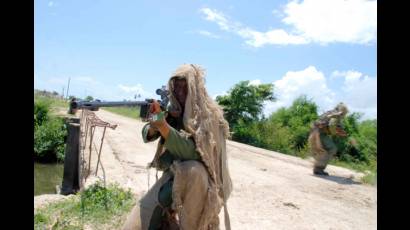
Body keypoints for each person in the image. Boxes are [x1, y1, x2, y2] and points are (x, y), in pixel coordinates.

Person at [122, 64, 232, 230]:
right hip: (176, 174)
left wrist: (164, 126)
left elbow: (195, 153)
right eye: (176, 87)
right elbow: (147, 135)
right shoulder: (174, 109)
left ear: (195, 88)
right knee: (141, 216)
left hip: (205, 183)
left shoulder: (209, 116)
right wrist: (155, 125)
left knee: (193, 170)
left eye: (185, 87)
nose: (180, 92)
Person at [308, 102, 348, 176]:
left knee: (326, 149)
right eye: (345, 113)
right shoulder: (336, 115)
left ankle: (318, 167)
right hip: (319, 133)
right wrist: (339, 133)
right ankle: (318, 168)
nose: (344, 115)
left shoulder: (331, 112)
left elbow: (332, 126)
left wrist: (339, 132)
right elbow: (332, 126)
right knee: (331, 149)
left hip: (316, 132)